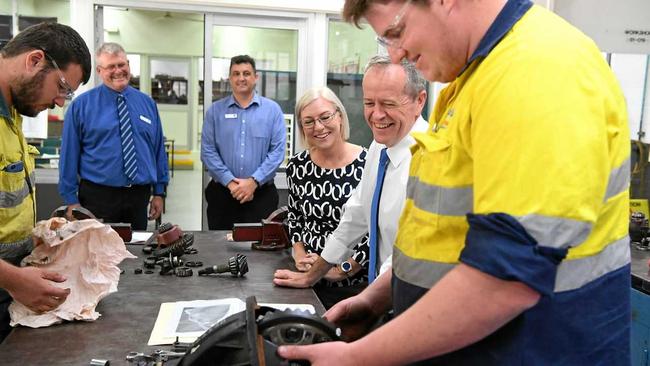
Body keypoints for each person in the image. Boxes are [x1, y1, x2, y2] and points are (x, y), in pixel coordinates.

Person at [278, 0, 631, 365]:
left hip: (537, 350)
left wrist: (358, 358)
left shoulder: (538, 71)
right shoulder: (471, 78)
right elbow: (446, 235)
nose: (398, 56)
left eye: (397, 33)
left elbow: (504, 281)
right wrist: (379, 297)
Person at [273, 56, 427, 293]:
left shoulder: (430, 160)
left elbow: (405, 254)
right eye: (368, 103)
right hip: (383, 294)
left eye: (388, 103)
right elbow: (355, 217)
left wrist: (366, 300)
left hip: (409, 296)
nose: (376, 115)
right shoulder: (380, 148)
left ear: (419, 101)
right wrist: (313, 276)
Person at [0, 22, 91, 341]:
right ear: (35, 60)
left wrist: (39, 235)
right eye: (62, 87)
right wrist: (14, 279)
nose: (60, 101)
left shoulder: (11, 111)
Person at [59, 42, 169, 231]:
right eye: (111, 67)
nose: (118, 71)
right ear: (100, 71)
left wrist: (159, 192)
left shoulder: (147, 104)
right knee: (98, 255)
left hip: (138, 197)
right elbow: (69, 156)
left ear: (128, 65)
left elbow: (158, 150)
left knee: (136, 253)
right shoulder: (81, 106)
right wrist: (71, 201)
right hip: (98, 198)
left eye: (121, 65)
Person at [282, 86, 369, 309]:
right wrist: (300, 259)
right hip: (307, 280)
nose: (318, 127)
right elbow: (295, 220)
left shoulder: (368, 165)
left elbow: (372, 230)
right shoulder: (298, 166)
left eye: (325, 117)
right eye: (308, 122)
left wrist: (339, 271)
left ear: (339, 116)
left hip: (353, 284)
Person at [201, 55, 286, 230]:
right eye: (236, 73)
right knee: (220, 247)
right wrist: (232, 184)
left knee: (261, 250)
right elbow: (208, 152)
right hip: (223, 195)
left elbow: (277, 152)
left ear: (256, 77)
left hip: (261, 195)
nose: (241, 78)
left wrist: (253, 182)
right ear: (230, 78)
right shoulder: (215, 112)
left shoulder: (272, 111)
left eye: (246, 73)